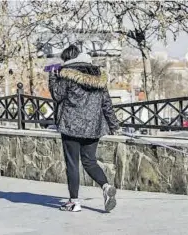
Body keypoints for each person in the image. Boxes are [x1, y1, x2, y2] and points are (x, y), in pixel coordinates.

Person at [48, 45, 120, 212]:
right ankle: (106, 186)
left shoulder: (66, 74)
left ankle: (74, 202)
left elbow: (57, 95)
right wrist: (114, 125)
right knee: (90, 161)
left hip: (71, 126)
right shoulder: (98, 75)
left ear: (67, 59)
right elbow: (106, 104)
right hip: (93, 127)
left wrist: (52, 76)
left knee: (72, 164)